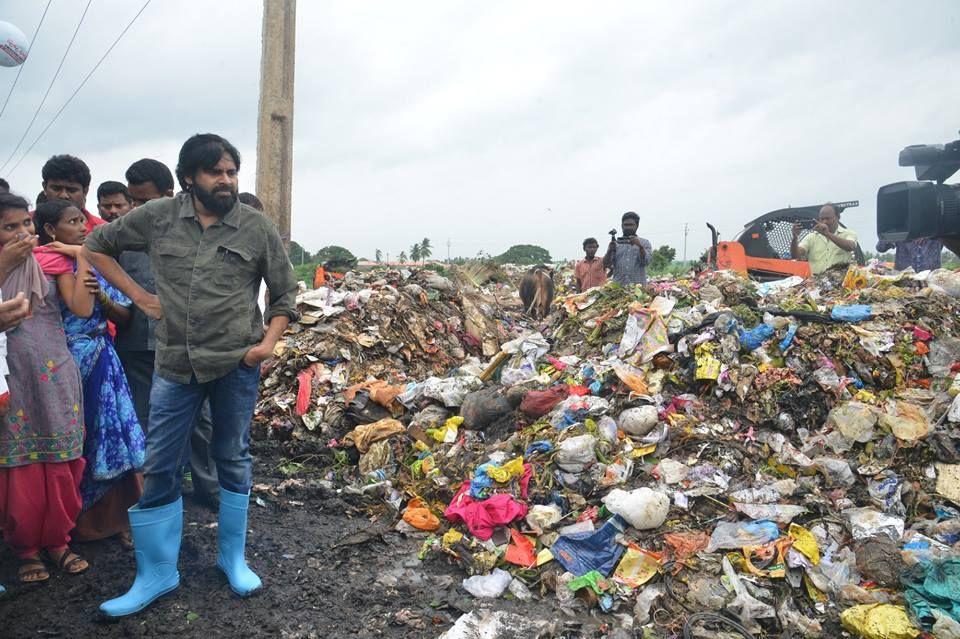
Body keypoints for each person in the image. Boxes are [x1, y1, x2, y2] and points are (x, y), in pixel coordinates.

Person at [85, 133, 298, 616]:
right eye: (215, 172)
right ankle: (157, 573)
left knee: (233, 457)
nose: (226, 180)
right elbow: (96, 246)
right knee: (160, 462)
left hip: (235, 364)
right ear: (188, 178)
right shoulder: (158, 217)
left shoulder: (255, 227)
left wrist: (265, 346)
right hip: (176, 365)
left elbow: (285, 294)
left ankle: (232, 558)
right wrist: (139, 298)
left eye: (231, 172)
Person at [34, 200, 146, 548]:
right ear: (51, 230)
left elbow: (124, 314)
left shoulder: (95, 260)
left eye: (83, 219)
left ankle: (119, 521)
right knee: (81, 439)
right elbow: (80, 309)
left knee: (114, 435)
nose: (83, 226)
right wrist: (82, 253)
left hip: (101, 355)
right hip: (67, 361)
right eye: (73, 222)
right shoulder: (46, 264)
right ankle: (78, 523)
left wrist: (108, 303)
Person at [121, 158, 220, 509]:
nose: (137, 209)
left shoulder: (196, 233)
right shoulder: (124, 238)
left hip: (187, 347)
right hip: (136, 346)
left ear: (169, 195)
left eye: (144, 202)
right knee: (147, 420)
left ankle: (210, 489)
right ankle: (158, 494)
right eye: (132, 202)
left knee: (200, 421)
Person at [0, 193, 89, 584]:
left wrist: (81, 255)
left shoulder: (53, 263)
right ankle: (25, 549)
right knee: (19, 463)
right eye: (10, 227)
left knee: (62, 459)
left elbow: (83, 309)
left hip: (57, 373)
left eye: (27, 225)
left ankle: (58, 542)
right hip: (11, 376)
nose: (22, 233)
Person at [41, 154, 106, 234]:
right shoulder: (26, 225)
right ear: (44, 187)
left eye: (71, 190)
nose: (63, 195)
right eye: (56, 189)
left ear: (85, 191)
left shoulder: (104, 231)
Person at [790, 204, 858, 276]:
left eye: (828, 218)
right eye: (822, 219)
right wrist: (795, 237)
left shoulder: (848, 233)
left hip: (841, 283)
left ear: (838, 217)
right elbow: (796, 255)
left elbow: (851, 246)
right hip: (817, 283)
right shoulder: (811, 237)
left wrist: (827, 234)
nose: (825, 222)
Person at [603, 211, 653, 285]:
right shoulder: (616, 244)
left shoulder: (644, 243)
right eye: (625, 225)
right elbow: (606, 265)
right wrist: (609, 251)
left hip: (638, 289)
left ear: (637, 226)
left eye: (631, 225)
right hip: (618, 289)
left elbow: (646, 261)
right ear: (622, 226)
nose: (628, 228)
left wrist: (640, 247)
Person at [876, 238, 943, 272]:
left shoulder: (937, 225)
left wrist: (928, 233)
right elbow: (881, 247)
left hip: (931, 282)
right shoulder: (900, 224)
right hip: (904, 282)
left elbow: (950, 239)